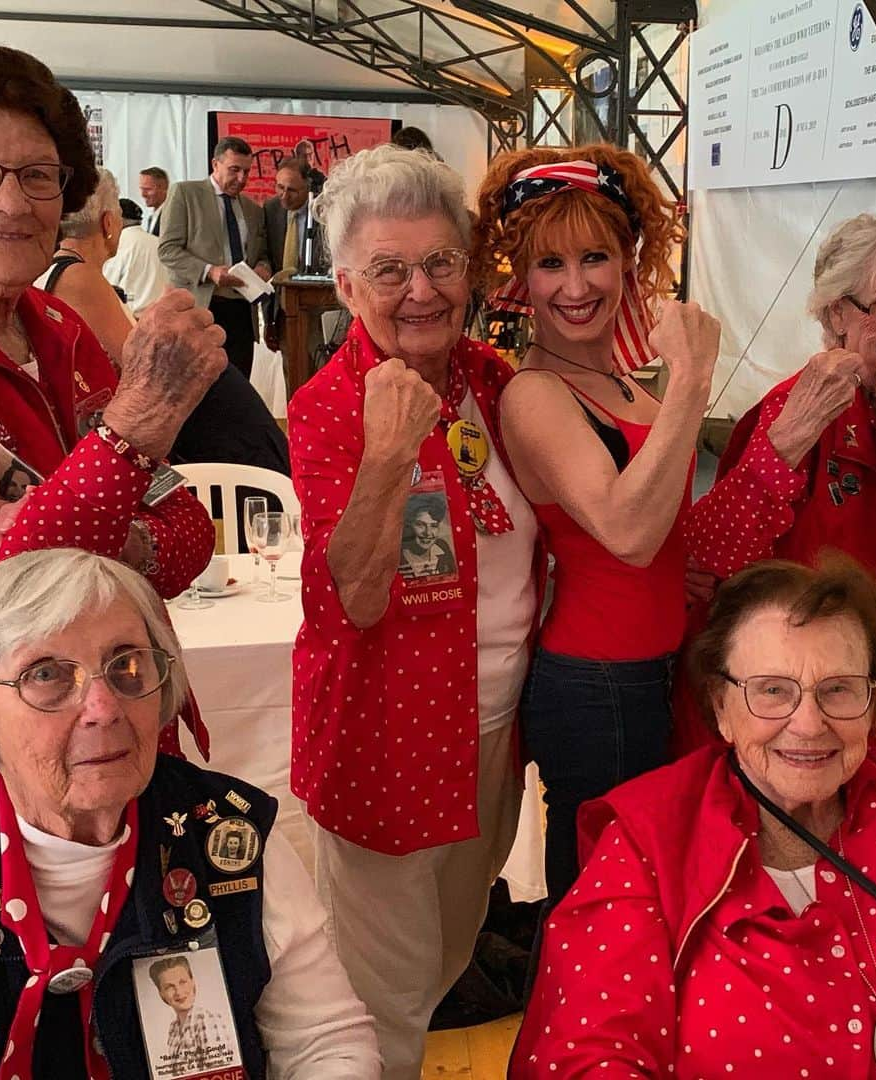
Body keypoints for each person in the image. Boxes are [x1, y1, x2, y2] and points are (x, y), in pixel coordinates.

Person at [0, 548, 381, 1078]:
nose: (104, 708)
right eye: (46, 674)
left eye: (128, 665)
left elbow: (324, 1042)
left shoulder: (230, 835)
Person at [0, 41, 223, 804]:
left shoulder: (56, 325)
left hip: (109, 739)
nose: (14, 201)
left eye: (37, 175)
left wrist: (99, 535)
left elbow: (191, 532)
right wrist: (131, 433)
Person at [290, 144, 543, 1079]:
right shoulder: (328, 408)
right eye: (390, 271)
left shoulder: (495, 381)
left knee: (445, 960)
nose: (421, 290)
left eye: (439, 263)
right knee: (374, 1004)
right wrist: (391, 453)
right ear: (348, 285)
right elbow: (347, 598)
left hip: (493, 735)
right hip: (388, 742)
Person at [510, 557, 876, 1078]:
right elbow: (587, 1054)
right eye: (771, 690)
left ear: (873, 705)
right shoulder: (647, 842)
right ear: (720, 707)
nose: (808, 725)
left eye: (838, 689)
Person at [473, 144, 720, 902]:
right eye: (549, 264)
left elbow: (656, 530)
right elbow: (627, 530)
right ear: (521, 277)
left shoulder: (615, 382)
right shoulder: (536, 394)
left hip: (654, 665)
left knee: (645, 880)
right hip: (596, 680)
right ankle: (573, 1022)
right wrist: (692, 384)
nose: (575, 287)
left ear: (629, 258)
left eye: (594, 257)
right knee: (603, 892)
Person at [686, 209, 876, 777]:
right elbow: (705, 560)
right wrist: (782, 446)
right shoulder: (797, 411)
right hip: (795, 711)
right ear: (837, 312)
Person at [158, 135, 270, 380]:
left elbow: (261, 253)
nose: (241, 179)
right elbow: (167, 249)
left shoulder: (253, 209)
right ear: (215, 164)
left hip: (241, 311)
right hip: (201, 306)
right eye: (234, 170)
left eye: (246, 171)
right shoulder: (185, 194)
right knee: (196, 386)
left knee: (239, 386)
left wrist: (263, 267)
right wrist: (209, 271)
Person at [33, 167, 135, 366]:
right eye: (120, 216)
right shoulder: (80, 278)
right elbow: (139, 364)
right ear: (108, 224)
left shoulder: (52, 268)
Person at [262, 157, 328, 353]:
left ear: (308, 189)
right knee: (290, 373)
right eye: (279, 187)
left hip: (318, 310)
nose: (284, 196)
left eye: (292, 190)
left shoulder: (323, 210)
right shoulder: (271, 209)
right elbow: (269, 259)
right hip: (282, 309)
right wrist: (269, 320)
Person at [151, 956, 236, 1076]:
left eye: (183, 982)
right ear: (161, 994)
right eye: (169, 987)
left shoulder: (206, 1020)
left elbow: (220, 1074)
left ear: (193, 982)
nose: (179, 992)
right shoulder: (173, 1028)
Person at [103, 197, 169, 317]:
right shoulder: (159, 243)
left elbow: (106, 286)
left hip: (130, 320)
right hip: (161, 319)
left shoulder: (117, 245)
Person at [398, 494, 456, 579]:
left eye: (434, 526)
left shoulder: (442, 546)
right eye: (420, 525)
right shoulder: (398, 556)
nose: (428, 533)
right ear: (409, 525)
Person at [139, 166, 169, 236]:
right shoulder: (152, 217)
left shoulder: (171, 216)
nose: (143, 194)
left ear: (163, 188)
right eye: (141, 189)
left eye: (148, 189)